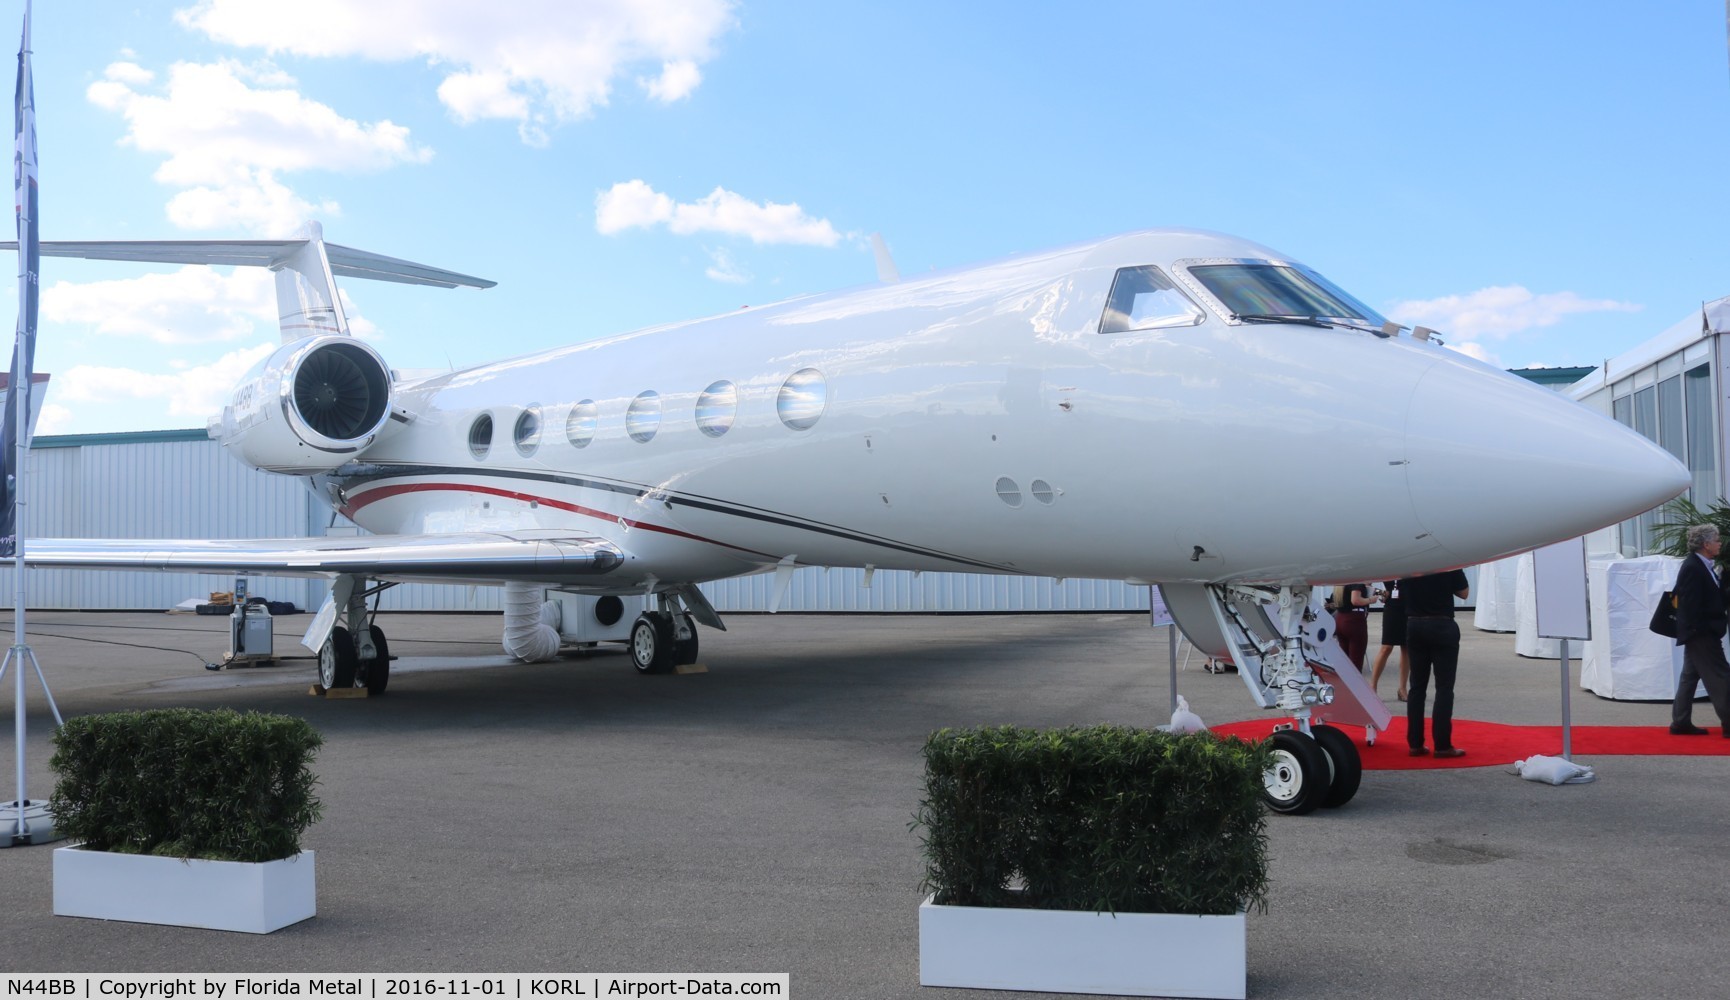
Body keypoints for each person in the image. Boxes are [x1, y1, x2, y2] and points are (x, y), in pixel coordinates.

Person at [1401, 568, 1470, 758]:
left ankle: (1415, 744)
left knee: (1417, 687)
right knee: (1444, 688)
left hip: (1414, 624)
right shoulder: (1448, 563)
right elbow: (1464, 593)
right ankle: (1442, 745)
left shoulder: (1408, 564)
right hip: (1442, 625)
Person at [1668, 524, 1730, 736]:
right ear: (1706, 544)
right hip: (1701, 634)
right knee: (1721, 677)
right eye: (1717, 539)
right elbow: (1690, 604)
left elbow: (1714, 599)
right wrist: (1702, 631)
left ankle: (1680, 722)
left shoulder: (1704, 565)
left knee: (1689, 676)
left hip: (1699, 632)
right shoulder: (1693, 567)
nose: (1720, 543)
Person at [1369, 579, 1408, 699]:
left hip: (1408, 607)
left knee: (1406, 648)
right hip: (1392, 608)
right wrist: (1381, 593)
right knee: (1386, 647)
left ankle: (1402, 688)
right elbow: (1366, 583)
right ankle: (1373, 687)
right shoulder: (1388, 566)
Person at [1331, 583, 1374, 671]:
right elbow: (1355, 600)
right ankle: (1356, 683)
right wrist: (1370, 600)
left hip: (1340, 618)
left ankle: (1345, 682)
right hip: (1354, 620)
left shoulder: (1340, 582)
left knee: (1345, 659)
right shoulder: (1356, 580)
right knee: (1356, 660)